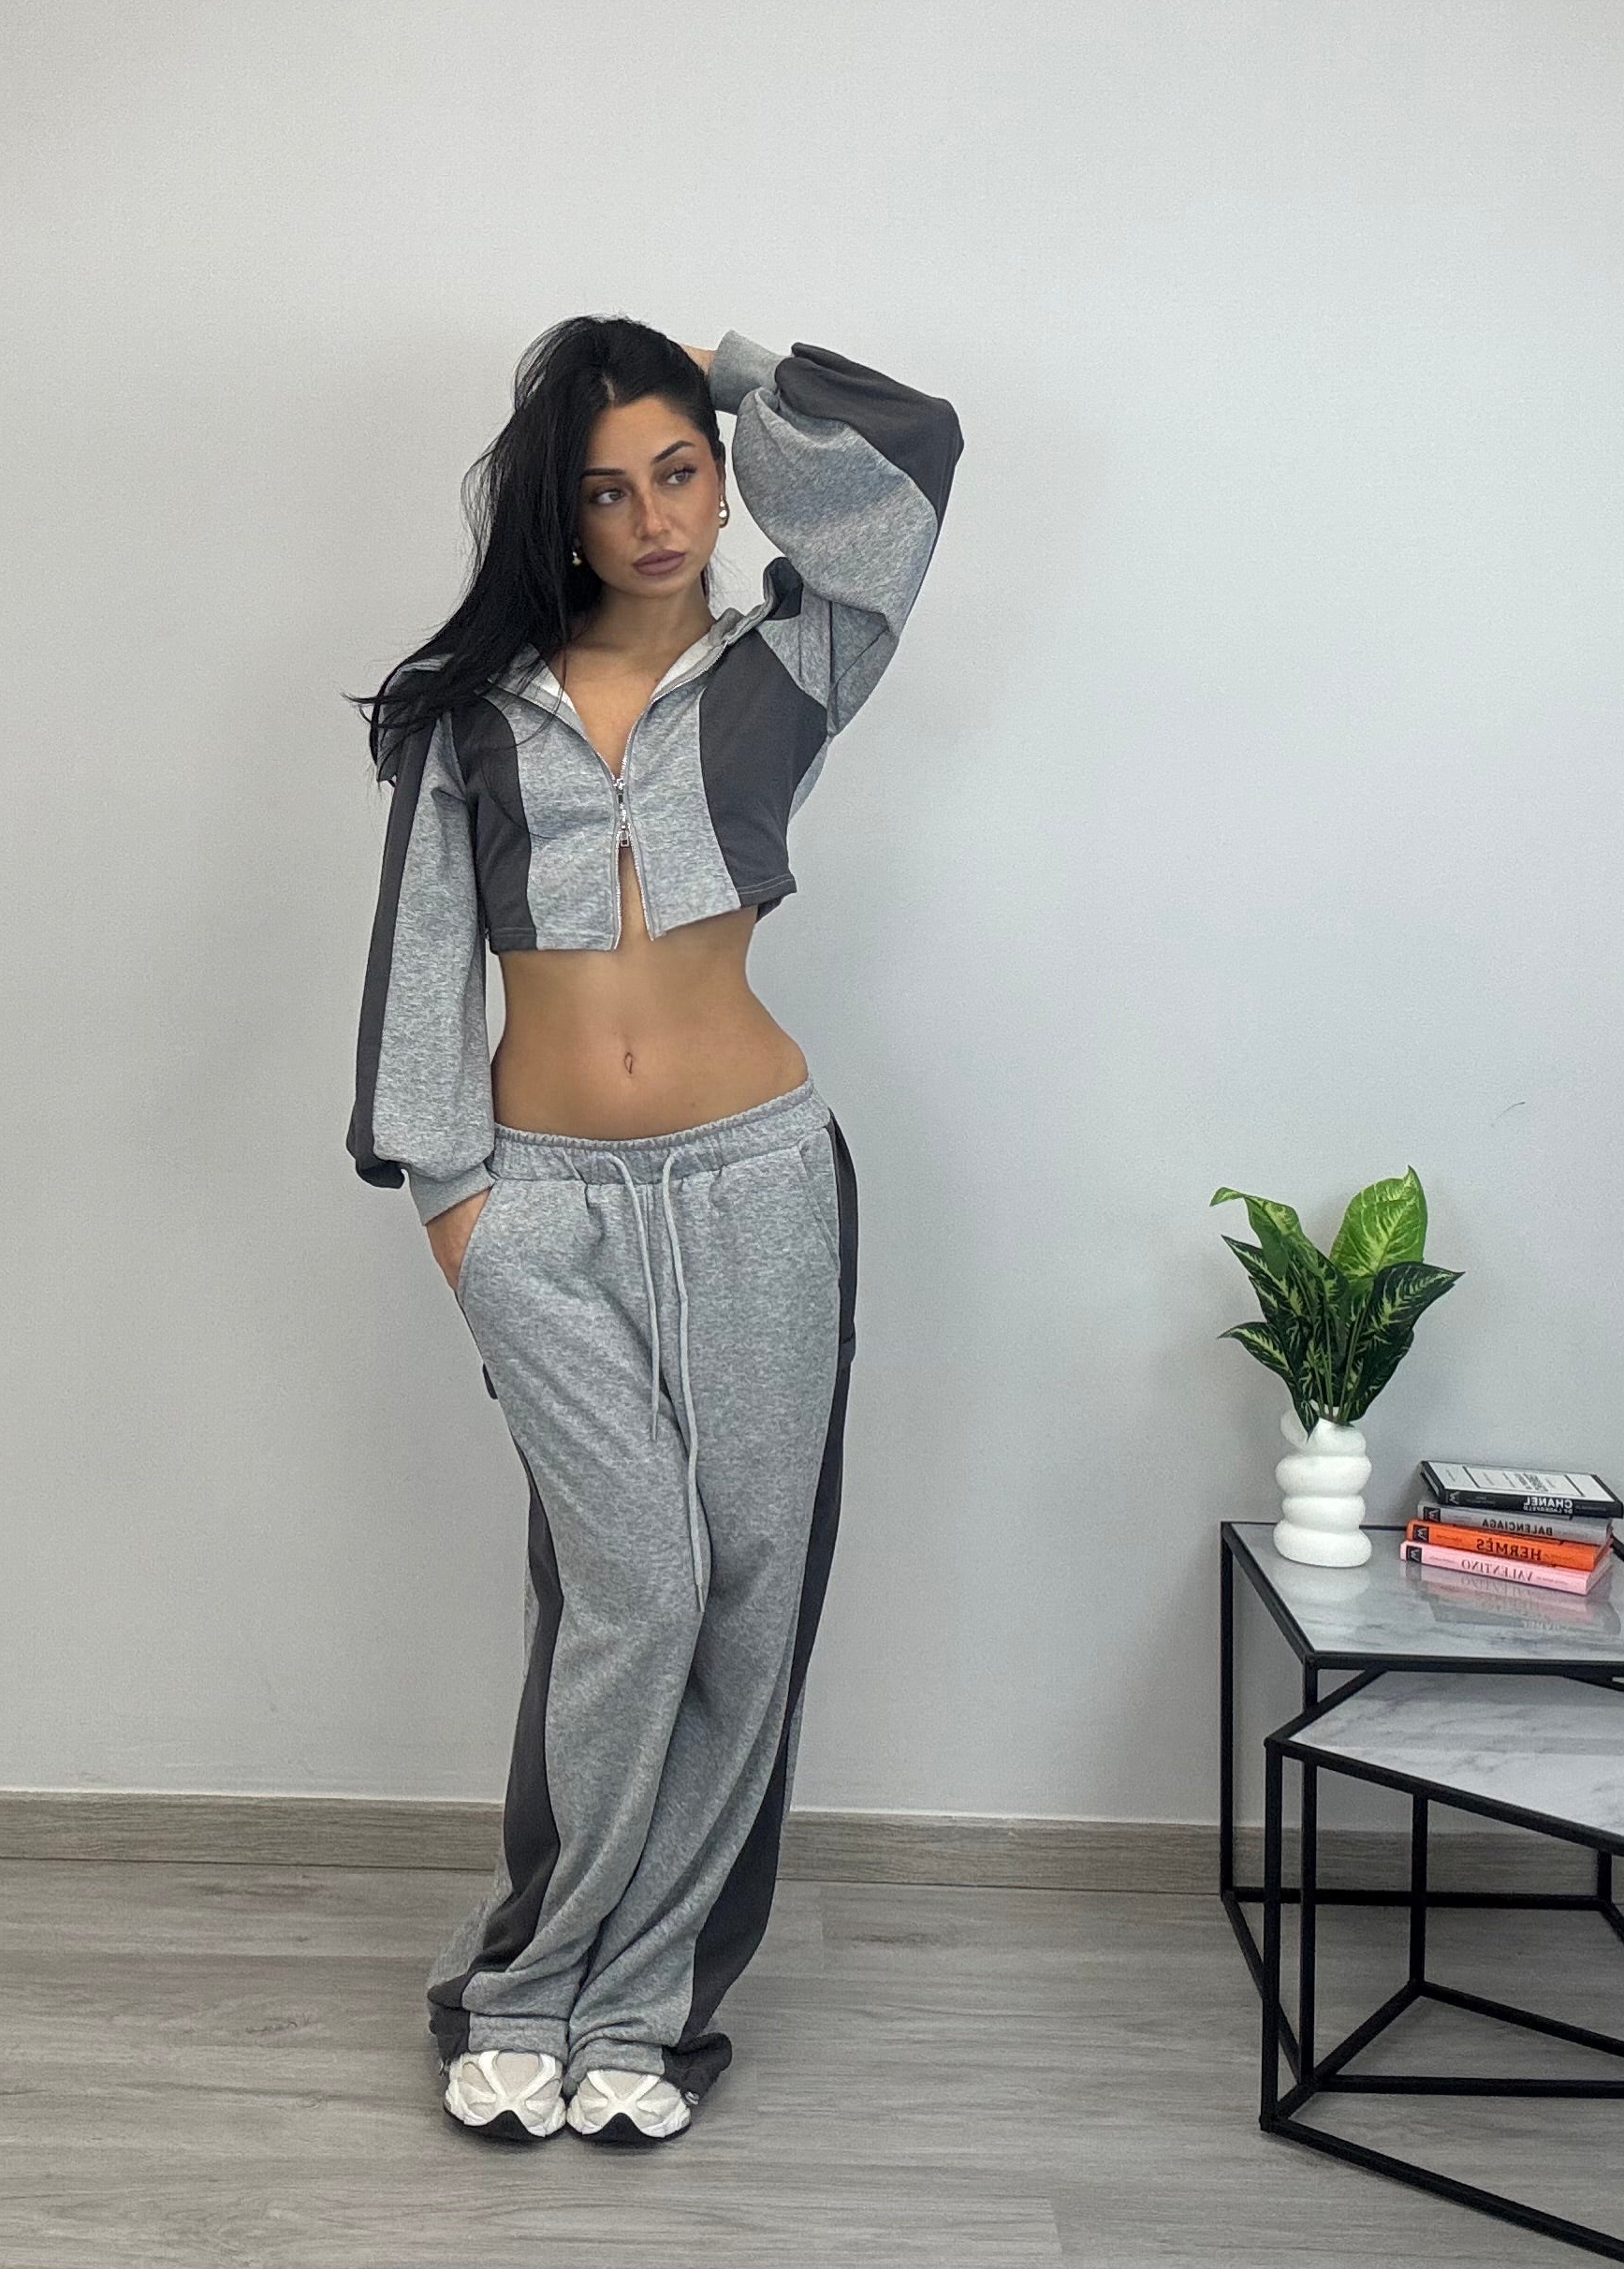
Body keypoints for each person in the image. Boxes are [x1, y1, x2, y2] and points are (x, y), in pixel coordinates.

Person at [347, 316, 962, 2144]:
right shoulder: (471, 714)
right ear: (564, 510)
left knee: (749, 1601)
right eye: (608, 489)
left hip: (761, 1178)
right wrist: (459, 1210)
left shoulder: (793, 662)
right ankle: (526, 1980)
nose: (655, 517)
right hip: (537, 1201)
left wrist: (741, 371)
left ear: (724, 475)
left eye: (680, 471)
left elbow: (913, 457)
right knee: (638, 1587)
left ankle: (646, 2003)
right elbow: (419, 975)